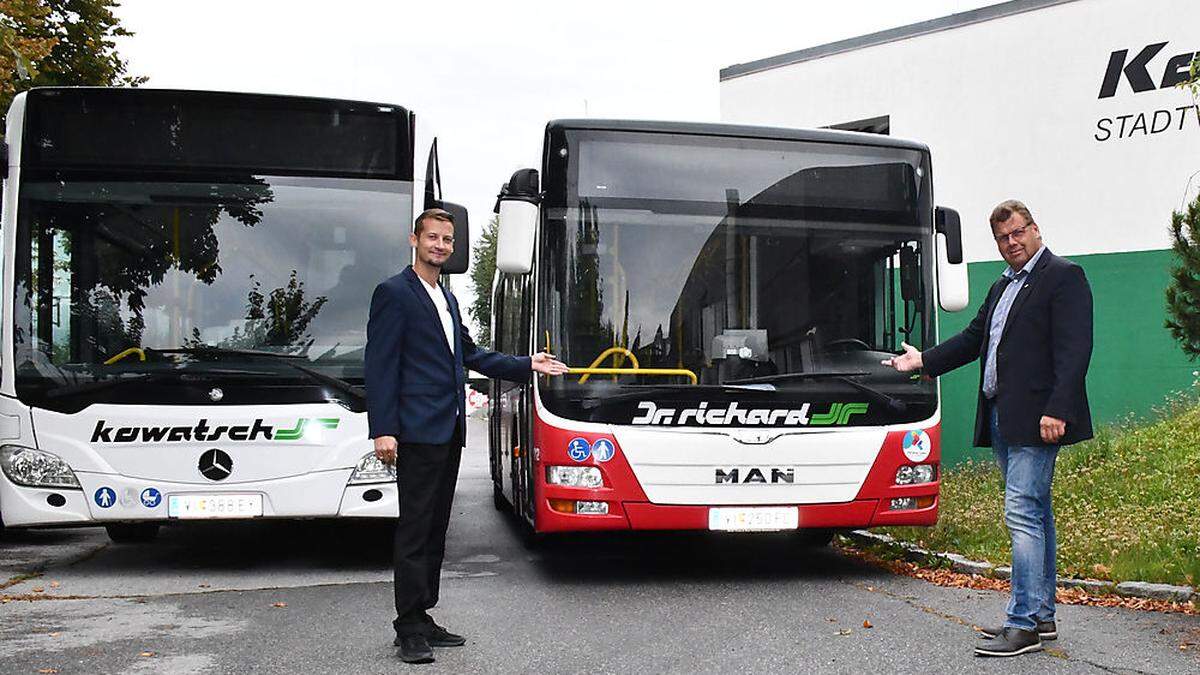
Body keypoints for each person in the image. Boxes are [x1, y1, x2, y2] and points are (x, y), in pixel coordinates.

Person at [882, 199, 1093, 658]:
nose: (1012, 243)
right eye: (1003, 238)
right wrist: (924, 362)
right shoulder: (1002, 287)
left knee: (1021, 514)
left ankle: (1022, 626)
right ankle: (1042, 615)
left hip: (1040, 420)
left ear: (1035, 229)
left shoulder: (1063, 276)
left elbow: (1075, 350)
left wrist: (1058, 409)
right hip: (1003, 416)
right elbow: (974, 338)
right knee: (1035, 514)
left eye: (1018, 233)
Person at [365, 208, 568, 664]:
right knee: (415, 530)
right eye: (432, 237)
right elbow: (380, 366)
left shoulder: (448, 299)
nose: (440, 245)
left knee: (436, 530)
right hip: (414, 431)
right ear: (413, 240)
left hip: (448, 429)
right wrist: (383, 430)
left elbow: (471, 354)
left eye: (447, 240)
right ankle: (408, 627)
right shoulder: (394, 293)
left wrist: (525, 363)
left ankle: (424, 614)